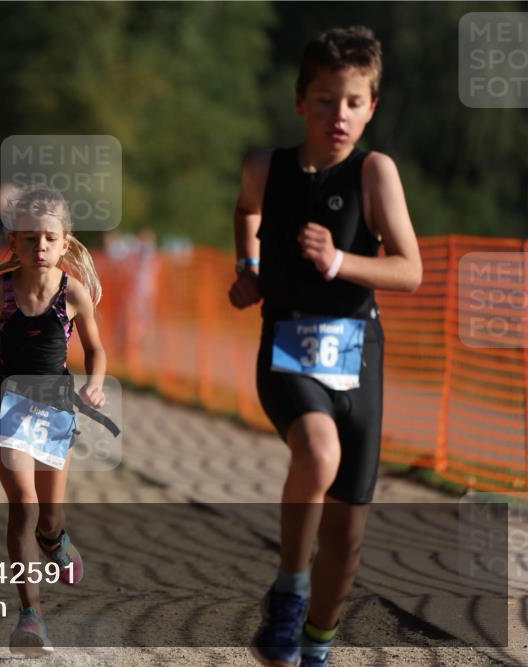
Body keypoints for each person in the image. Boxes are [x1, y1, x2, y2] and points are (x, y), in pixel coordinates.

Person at [228, 26, 422, 667]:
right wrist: (248, 267)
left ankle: (315, 642)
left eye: (354, 102)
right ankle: (288, 590)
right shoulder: (266, 167)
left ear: (372, 107)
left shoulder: (375, 172)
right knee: (317, 449)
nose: (339, 115)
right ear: (299, 101)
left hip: (358, 353)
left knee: (347, 537)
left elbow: (410, 270)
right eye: (324, 100)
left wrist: (340, 260)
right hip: (287, 347)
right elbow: (247, 208)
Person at [0, 186, 108, 655]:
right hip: (11, 406)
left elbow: (95, 348)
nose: (40, 248)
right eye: (29, 239)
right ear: (13, 242)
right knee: (24, 508)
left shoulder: (72, 292)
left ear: (66, 242)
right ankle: (30, 616)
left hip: (55, 407)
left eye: (49, 239)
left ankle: (56, 540)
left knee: (49, 517)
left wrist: (94, 383)